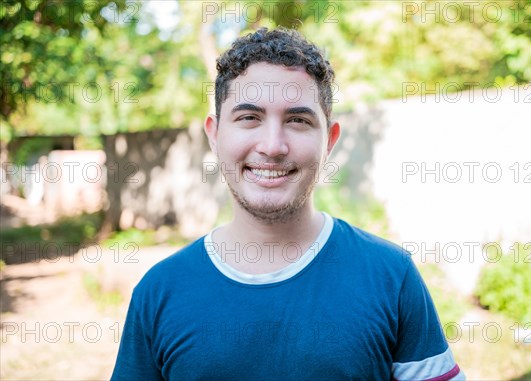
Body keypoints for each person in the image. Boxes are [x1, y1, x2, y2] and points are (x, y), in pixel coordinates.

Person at [111, 27, 465, 381]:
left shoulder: (391, 276)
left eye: (297, 120)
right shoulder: (159, 291)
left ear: (330, 140)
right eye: (249, 117)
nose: (273, 145)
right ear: (215, 135)